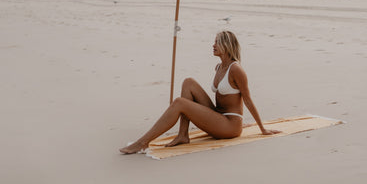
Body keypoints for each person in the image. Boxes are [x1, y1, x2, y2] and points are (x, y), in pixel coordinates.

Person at [119, 30, 278, 154]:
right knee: (188, 82)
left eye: (217, 42)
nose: (213, 45)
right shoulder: (219, 67)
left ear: (227, 45)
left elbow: (248, 100)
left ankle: (142, 143)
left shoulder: (236, 69)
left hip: (230, 126)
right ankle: (183, 135)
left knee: (179, 103)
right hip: (218, 115)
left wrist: (262, 129)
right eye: (214, 42)